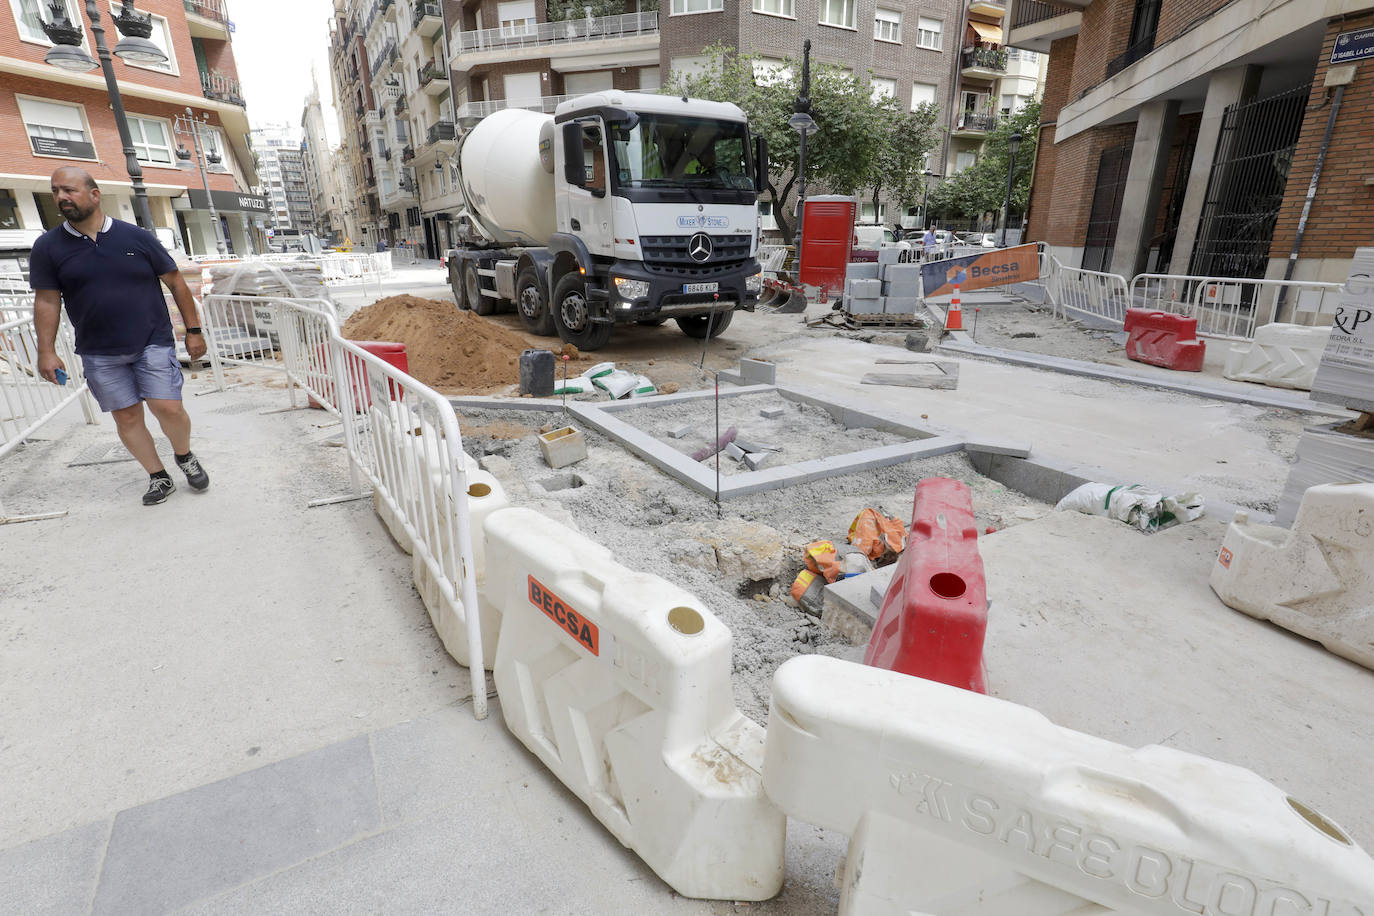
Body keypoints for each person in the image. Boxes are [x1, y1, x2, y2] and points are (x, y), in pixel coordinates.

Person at [32, 166, 210, 506]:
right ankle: (158, 477)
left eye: (69, 190)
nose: (61, 197)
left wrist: (194, 331)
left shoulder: (136, 237)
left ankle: (184, 455)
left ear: (94, 195)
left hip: (151, 340)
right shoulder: (48, 247)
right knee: (126, 416)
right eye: (56, 191)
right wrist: (46, 351)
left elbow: (175, 282)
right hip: (99, 351)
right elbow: (47, 300)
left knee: (167, 407)